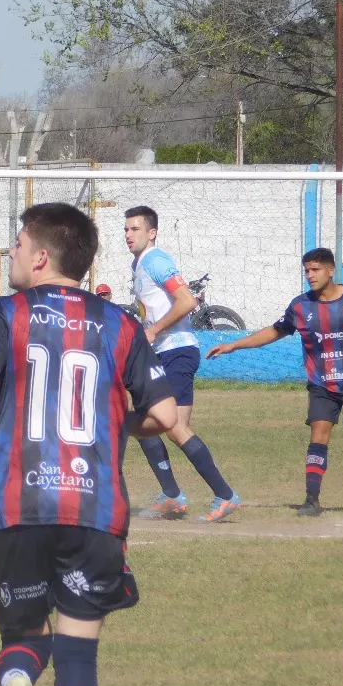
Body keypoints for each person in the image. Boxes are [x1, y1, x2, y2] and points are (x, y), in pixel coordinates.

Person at [0, 202, 177, 686]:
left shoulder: (3, 312)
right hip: (95, 509)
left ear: (41, 255)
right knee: (80, 653)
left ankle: (19, 682)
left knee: (23, 635)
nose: (14, 252)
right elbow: (165, 417)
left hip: (15, 505)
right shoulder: (122, 324)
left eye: (19, 242)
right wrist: (116, 423)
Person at [207, 248, 343, 516]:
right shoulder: (300, 306)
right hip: (322, 385)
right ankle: (311, 500)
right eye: (307, 270)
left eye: (315, 269)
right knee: (319, 435)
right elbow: (274, 331)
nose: (310, 275)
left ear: (331, 270)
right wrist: (234, 345)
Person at [125, 205, 243, 522]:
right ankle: (173, 497)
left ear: (152, 232)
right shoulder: (139, 263)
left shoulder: (155, 259)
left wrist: (152, 330)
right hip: (165, 352)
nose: (128, 235)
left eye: (135, 229)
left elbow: (187, 301)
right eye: (126, 229)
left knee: (164, 425)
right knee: (158, 427)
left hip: (174, 352)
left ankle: (224, 494)